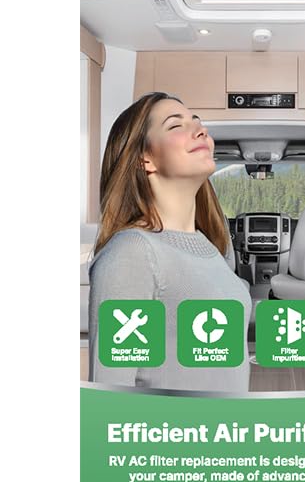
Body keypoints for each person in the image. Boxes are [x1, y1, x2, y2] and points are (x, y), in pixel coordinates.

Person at [89, 92, 251, 391]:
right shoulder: (133, 253)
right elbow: (111, 393)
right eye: (176, 126)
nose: (200, 130)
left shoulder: (212, 246)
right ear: (145, 159)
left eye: (197, 122)